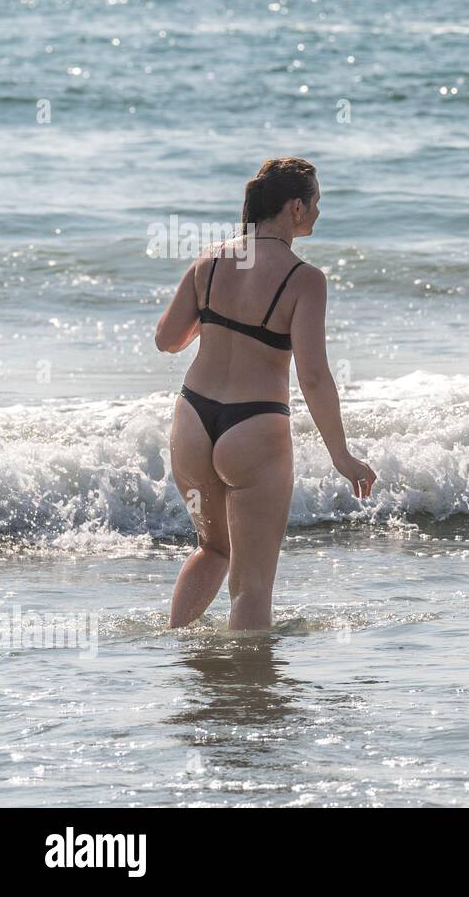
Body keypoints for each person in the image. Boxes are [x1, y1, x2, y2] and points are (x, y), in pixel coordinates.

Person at [154, 158, 376, 629]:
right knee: (252, 586)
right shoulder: (305, 279)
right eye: (316, 202)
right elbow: (313, 376)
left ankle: (174, 650)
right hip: (253, 428)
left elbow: (167, 340)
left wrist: (221, 320)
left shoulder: (209, 260)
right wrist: (341, 454)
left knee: (212, 549)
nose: (318, 211)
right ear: (295, 207)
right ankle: (250, 696)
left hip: (193, 420)